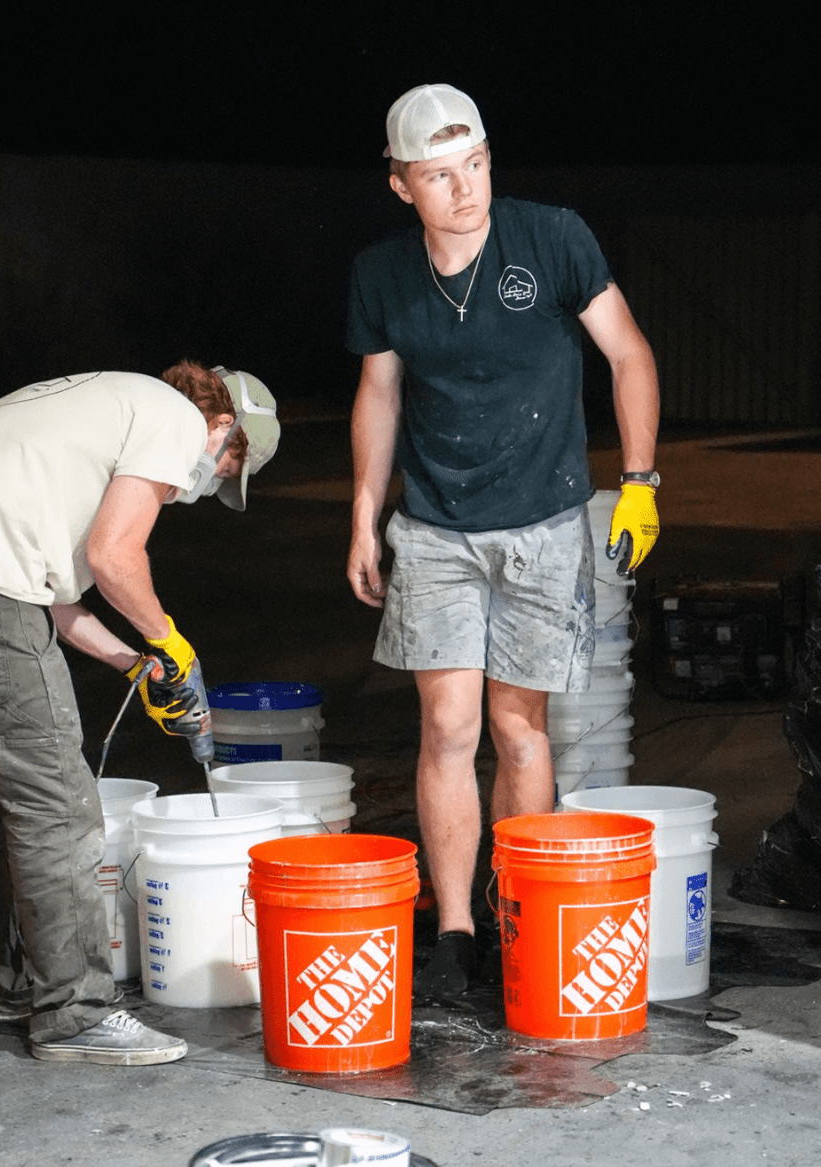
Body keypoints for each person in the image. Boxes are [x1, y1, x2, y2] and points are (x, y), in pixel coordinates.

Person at [346, 84, 660, 999]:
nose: (464, 189)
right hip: (438, 527)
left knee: (519, 729)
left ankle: (514, 912)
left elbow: (629, 353)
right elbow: (379, 392)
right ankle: (453, 934)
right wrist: (364, 511)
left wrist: (639, 483)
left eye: (475, 165)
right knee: (446, 726)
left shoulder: (554, 237)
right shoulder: (383, 274)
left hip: (542, 522)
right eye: (438, 175)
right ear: (403, 185)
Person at [0, 360, 280, 1063]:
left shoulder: (97, 409)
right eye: (226, 469)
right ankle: (74, 1012)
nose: (202, 488)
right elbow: (115, 556)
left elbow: (61, 602)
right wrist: (166, 636)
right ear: (224, 428)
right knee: (60, 808)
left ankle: (10, 987)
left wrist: (136, 666)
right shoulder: (172, 416)